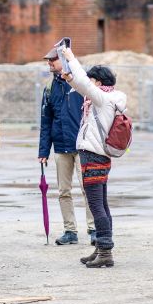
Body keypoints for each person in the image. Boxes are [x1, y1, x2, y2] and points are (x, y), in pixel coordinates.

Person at [60, 46, 127, 269]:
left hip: (93, 157)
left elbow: (85, 85)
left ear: (98, 82)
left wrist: (70, 57)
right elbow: (82, 86)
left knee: (96, 205)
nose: (90, 84)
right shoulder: (106, 98)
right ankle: (100, 247)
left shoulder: (103, 100)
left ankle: (106, 253)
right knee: (101, 204)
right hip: (97, 156)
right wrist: (70, 79)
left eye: (92, 81)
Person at [37, 43, 96, 246]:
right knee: (64, 191)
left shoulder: (80, 83)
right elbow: (46, 120)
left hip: (82, 146)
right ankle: (70, 230)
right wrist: (43, 151)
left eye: (52, 60)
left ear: (62, 61)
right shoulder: (50, 87)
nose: (49, 64)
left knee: (88, 189)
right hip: (60, 147)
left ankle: (94, 228)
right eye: (48, 61)